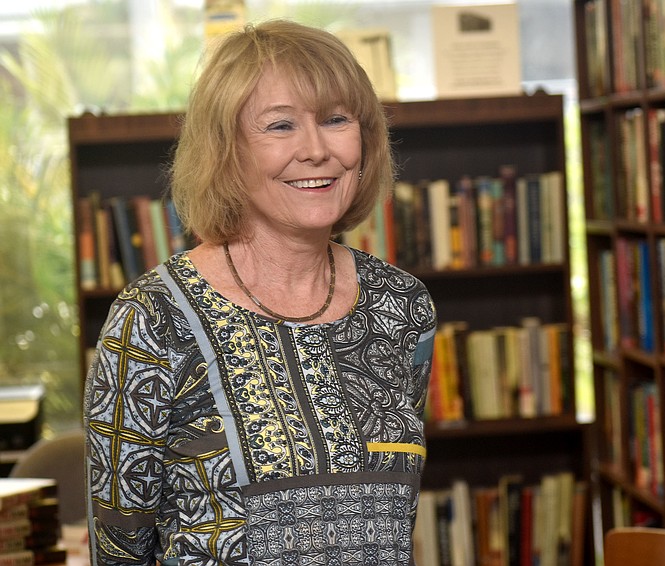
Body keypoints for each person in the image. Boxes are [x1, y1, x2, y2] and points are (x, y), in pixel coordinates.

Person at [84, 18, 436, 565]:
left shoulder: (404, 306)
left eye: (336, 119)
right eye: (280, 126)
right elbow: (120, 550)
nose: (316, 150)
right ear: (227, 152)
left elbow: (393, 530)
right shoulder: (151, 319)